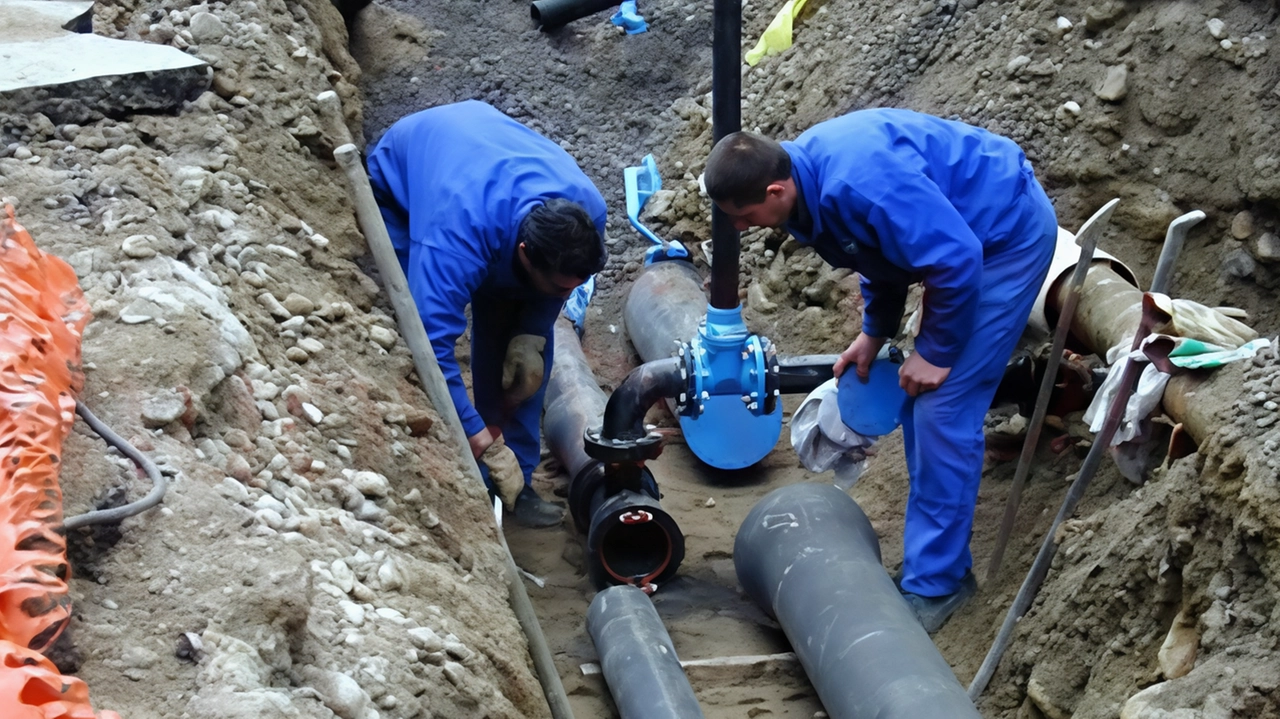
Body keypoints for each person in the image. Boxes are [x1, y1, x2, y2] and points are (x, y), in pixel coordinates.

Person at [704, 108, 1058, 631]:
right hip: (962, 241)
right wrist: (875, 333)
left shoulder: (858, 182)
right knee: (922, 407)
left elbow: (956, 258)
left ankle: (939, 586)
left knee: (942, 410)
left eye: (742, 215)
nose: (738, 227)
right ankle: (937, 565)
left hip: (1002, 238)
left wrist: (935, 353)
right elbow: (877, 252)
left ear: (775, 191)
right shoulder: (808, 189)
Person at [367, 100, 608, 528]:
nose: (563, 295)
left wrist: (528, 345)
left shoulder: (588, 212)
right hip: (406, 177)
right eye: (558, 288)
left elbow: (541, 309)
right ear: (524, 255)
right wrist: (479, 434)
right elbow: (429, 348)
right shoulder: (454, 240)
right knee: (413, 325)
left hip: (484, 165)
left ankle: (519, 481)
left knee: (525, 357)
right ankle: (474, 480)